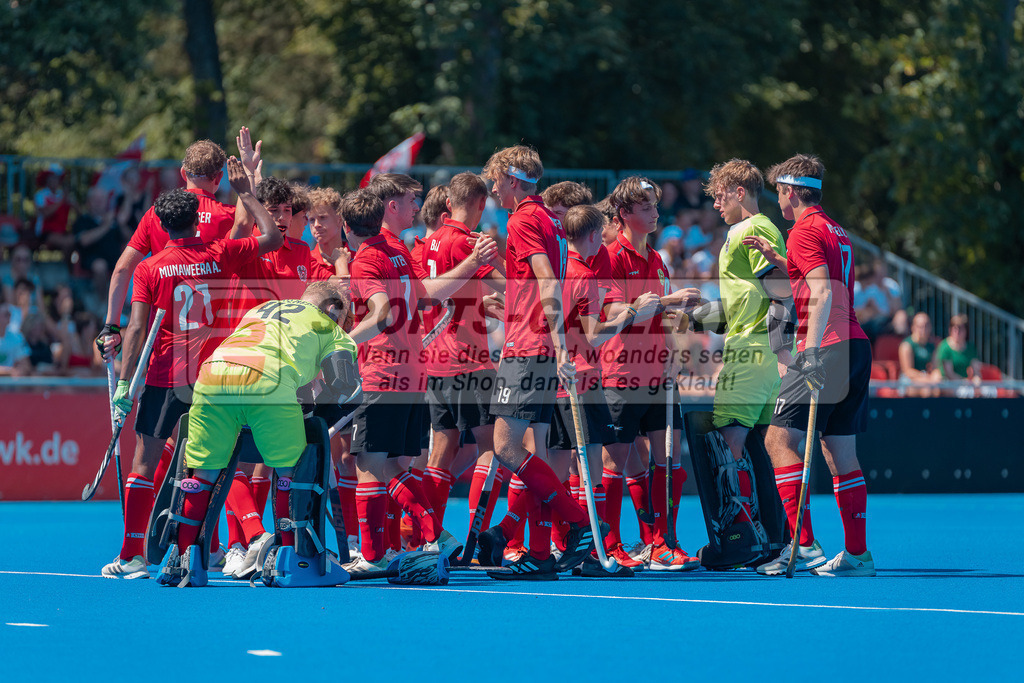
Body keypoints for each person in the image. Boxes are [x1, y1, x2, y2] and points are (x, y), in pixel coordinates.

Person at [100, 162, 284, 579]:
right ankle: (204, 549)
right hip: (215, 375)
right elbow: (271, 236)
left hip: (168, 375)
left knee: (145, 461)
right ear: (195, 221)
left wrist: (126, 384)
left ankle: (134, 556)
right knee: (207, 463)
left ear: (163, 226)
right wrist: (246, 193)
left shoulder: (150, 269)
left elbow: (136, 330)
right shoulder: (220, 253)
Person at [161, 280, 360, 587]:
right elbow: (343, 385)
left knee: (202, 476)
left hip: (213, 373)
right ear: (332, 309)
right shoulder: (331, 328)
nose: (343, 324)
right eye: (343, 317)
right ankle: (289, 557)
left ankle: (183, 556)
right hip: (269, 378)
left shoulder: (261, 309)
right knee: (290, 472)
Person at [342, 188, 491, 571]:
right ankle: (431, 536)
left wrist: (341, 343)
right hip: (413, 370)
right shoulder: (399, 252)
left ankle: (377, 555)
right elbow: (429, 294)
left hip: (383, 369)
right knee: (395, 465)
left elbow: (380, 314)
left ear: (346, 227)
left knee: (369, 462)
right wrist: (473, 263)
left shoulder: (368, 260)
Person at [745, 153, 875, 577]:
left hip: (829, 346)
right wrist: (777, 257)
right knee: (840, 451)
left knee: (777, 441)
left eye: (777, 193)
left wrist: (813, 352)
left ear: (788, 192)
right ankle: (857, 555)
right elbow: (816, 276)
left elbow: (820, 292)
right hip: (856, 345)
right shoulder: (834, 230)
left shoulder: (802, 230)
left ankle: (803, 545)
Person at [474, 145, 596, 579]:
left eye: (495, 180)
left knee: (504, 447)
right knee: (536, 451)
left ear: (511, 179)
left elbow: (546, 280)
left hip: (529, 349)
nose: (491, 188)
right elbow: (535, 284)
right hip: (538, 345)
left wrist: (561, 346)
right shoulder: (550, 220)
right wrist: (505, 298)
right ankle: (541, 555)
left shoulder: (524, 218)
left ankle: (576, 521)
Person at [548, 204, 661, 576]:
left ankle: (563, 545)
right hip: (583, 379)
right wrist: (633, 312)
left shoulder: (557, 270)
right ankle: (595, 552)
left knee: (561, 469)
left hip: (559, 379)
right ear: (595, 236)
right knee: (591, 469)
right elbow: (595, 333)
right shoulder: (585, 275)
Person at [600, 176, 700, 571]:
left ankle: (662, 543)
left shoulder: (657, 259)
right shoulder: (609, 257)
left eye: (655, 205)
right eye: (645, 207)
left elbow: (661, 313)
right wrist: (670, 301)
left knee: (669, 461)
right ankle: (608, 546)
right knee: (615, 464)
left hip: (659, 373)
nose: (656, 212)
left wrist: (678, 337)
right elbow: (617, 315)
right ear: (624, 214)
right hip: (621, 374)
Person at [700, 158, 793, 536]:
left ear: (740, 192)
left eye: (721, 197)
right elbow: (750, 300)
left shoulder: (750, 230)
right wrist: (696, 315)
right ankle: (775, 535)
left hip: (752, 352)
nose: (716, 205)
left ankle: (740, 533)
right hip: (761, 351)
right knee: (761, 445)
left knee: (728, 443)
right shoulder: (757, 228)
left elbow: (781, 292)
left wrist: (780, 351)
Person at [98, 137, 244, 354]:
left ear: (183, 173)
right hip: (217, 345)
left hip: (165, 344)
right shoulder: (229, 217)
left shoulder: (156, 215)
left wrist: (111, 327)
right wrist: (248, 184)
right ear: (219, 178)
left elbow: (122, 268)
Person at [420, 173, 506, 526]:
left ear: (448, 203)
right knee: (494, 447)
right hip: (469, 359)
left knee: (442, 451)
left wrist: (481, 303)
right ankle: (476, 531)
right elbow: (510, 287)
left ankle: (426, 533)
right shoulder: (471, 243)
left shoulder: (429, 241)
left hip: (435, 361)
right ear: (482, 204)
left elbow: (441, 293)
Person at [854, 258, 907, 342]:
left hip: (889, 318)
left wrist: (887, 292)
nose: (880, 276)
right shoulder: (869, 287)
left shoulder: (891, 285)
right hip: (874, 320)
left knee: (902, 316)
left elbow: (897, 308)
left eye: (882, 272)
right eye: (878, 273)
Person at [898, 312, 940, 396]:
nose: (923, 329)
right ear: (913, 327)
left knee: (937, 389)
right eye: (920, 326)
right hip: (908, 380)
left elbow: (935, 367)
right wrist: (926, 378)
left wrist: (936, 376)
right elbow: (908, 371)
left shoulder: (932, 346)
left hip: (927, 380)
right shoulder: (906, 345)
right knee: (926, 390)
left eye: (926, 326)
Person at [936, 314, 981, 383]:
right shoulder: (945, 347)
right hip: (948, 384)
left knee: (988, 391)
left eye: (960, 329)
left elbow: (976, 370)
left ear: (966, 331)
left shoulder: (970, 347)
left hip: (966, 384)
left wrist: (977, 380)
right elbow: (949, 374)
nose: (957, 332)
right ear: (950, 330)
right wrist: (964, 382)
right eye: (955, 329)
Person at [0, 303, 30, 376]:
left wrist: (20, 372)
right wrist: (9, 371)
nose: (9, 317)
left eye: (9, 314)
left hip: (11, 385)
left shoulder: (17, 337)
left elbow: (25, 365)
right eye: (5, 314)